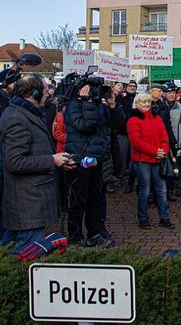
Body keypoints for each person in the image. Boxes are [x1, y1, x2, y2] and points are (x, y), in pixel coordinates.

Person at [0, 74, 73, 251]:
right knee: (27, 254)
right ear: (35, 94)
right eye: (46, 91)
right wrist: (52, 160)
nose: (48, 95)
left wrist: (59, 162)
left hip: (32, 201)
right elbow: (15, 162)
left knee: (12, 248)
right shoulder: (16, 118)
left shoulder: (28, 113)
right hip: (27, 204)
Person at [64, 80, 125, 247]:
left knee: (95, 200)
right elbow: (85, 126)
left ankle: (94, 234)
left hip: (97, 159)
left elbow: (118, 125)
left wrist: (113, 106)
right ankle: (75, 238)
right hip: (79, 158)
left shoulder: (101, 106)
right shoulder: (73, 106)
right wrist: (87, 102)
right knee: (77, 201)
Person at [127, 93, 175, 229]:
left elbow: (164, 136)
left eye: (148, 102)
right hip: (143, 161)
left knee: (162, 190)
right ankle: (143, 218)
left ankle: (164, 217)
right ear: (137, 104)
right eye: (143, 102)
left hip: (158, 159)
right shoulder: (133, 120)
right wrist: (155, 151)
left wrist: (164, 150)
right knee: (145, 191)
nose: (146, 104)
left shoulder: (157, 118)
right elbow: (136, 142)